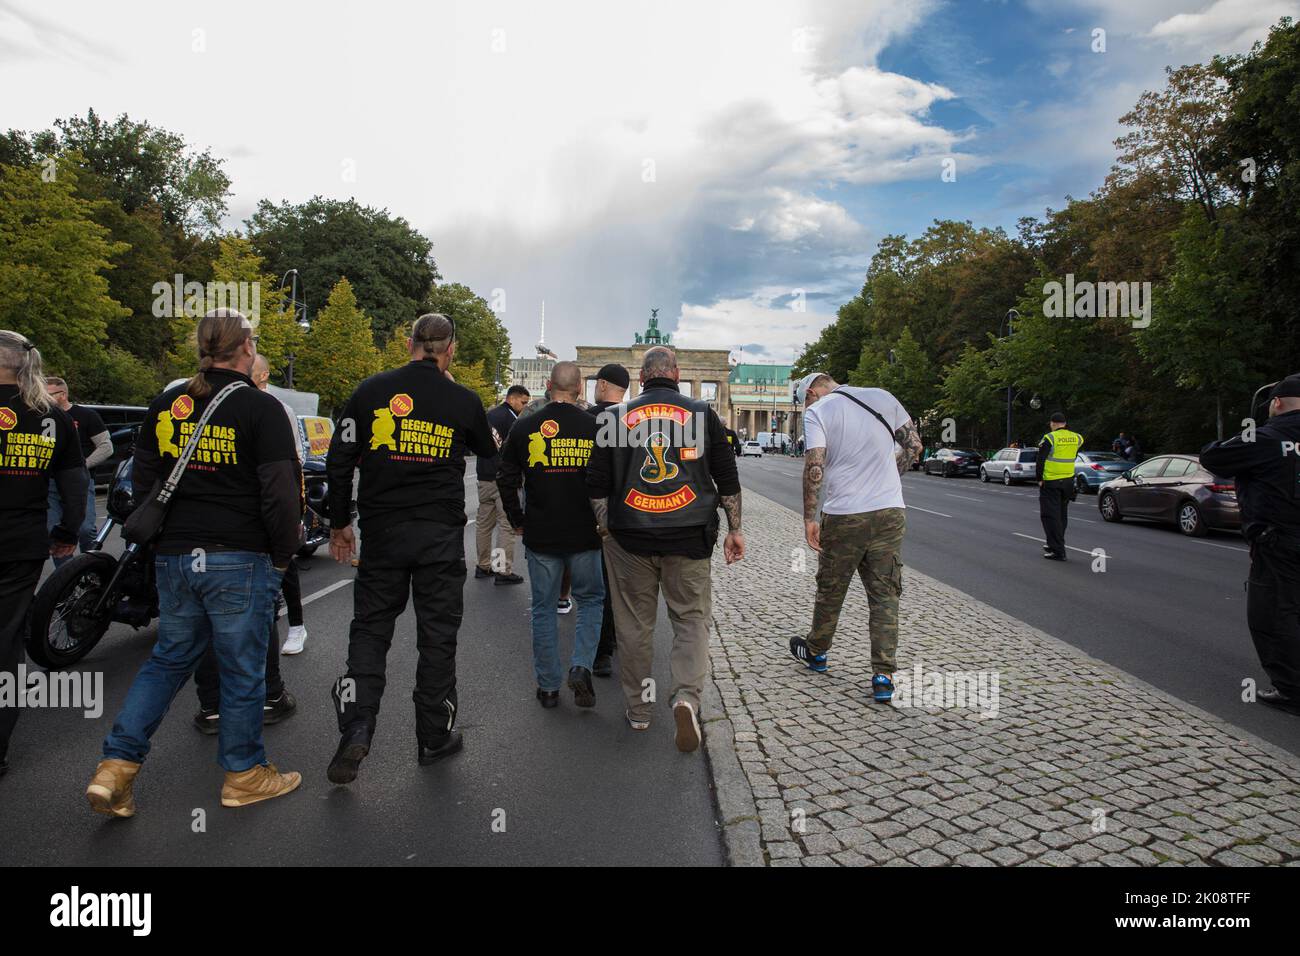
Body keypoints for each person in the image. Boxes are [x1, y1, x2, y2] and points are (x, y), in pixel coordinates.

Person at [87, 310, 303, 816]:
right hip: (238, 554)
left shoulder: (168, 403)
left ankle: (115, 768)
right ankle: (244, 774)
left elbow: (142, 478)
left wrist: (166, 537)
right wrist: (280, 557)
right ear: (246, 348)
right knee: (243, 667)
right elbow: (279, 495)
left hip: (176, 555)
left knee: (168, 660)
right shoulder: (260, 408)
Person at [324, 313, 495, 784]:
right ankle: (434, 737)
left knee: (371, 632)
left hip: (383, 534)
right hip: (439, 539)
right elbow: (489, 452)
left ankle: (356, 726)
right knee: (437, 638)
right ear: (451, 349)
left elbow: (339, 460)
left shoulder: (369, 390)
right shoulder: (463, 399)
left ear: (409, 343)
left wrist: (340, 523)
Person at [587, 346, 744, 752]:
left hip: (629, 538)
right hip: (689, 535)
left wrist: (606, 527)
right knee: (691, 620)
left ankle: (639, 711)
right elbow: (726, 477)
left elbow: (597, 483)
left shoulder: (614, 417)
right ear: (676, 374)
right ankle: (687, 698)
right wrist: (735, 530)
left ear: (641, 378)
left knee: (634, 627)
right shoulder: (702, 414)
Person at [788, 372, 922, 703]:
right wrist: (889, 475)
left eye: (804, 400)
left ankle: (817, 652)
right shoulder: (883, 395)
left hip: (845, 513)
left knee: (832, 587)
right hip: (890, 510)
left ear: (812, 393)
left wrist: (809, 517)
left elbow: (814, 466)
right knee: (885, 594)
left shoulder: (819, 412)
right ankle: (883, 675)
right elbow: (915, 446)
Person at [189, 356, 302, 736]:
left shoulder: (178, 400)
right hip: (245, 536)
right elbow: (284, 477)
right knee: (257, 618)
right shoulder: (268, 407)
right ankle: (267, 697)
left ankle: (212, 705)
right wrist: (285, 544)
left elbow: (147, 469)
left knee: (201, 625)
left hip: (187, 540)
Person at [0, 332, 87, 777]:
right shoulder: (49, 416)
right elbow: (74, 482)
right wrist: (66, 531)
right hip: (19, 542)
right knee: (7, 638)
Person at [498, 361, 605, 709]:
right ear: (579, 390)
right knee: (590, 601)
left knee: (543, 609)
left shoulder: (525, 426)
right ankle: (580, 666)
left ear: (547, 385)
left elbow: (505, 476)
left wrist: (517, 518)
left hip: (541, 531)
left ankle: (548, 687)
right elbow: (609, 482)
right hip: (585, 533)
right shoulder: (596, 426)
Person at [1200, 376, 1300, 715]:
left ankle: (1291, 689)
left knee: (1275, 613)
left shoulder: (1266, 437)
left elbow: (1214, 456)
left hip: (1280, 542)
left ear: (1276, 403)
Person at [586, 364, 629, 677]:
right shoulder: (631, 422)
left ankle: (592, 650)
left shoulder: (584, 419)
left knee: (590, 588)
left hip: (584, 511)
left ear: (600, 384)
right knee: (615, 586)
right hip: (620, 514)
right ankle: (608, 645)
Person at [44, 377, 110, 565]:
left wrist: (82, 466)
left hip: (78, 481)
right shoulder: (41, 416)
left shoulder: (86, 415)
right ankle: (66, 581)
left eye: (48, 394)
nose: (44, 398)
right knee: (53, 530)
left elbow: (106, 446)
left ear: (62, 395)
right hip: (50, 482)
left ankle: (90, 565)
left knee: (85, 529)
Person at [474, 384, 529, 585]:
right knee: (505, 526)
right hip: (502, 479)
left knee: (484, 524)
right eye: (523, 402)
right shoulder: (511, 420)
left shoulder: (489, 416)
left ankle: (483, 565)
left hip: (483, 476)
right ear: (512, 398)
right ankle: (501, 570)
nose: (524, 407)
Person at [1036, 412, 1084, 561]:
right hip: (1068, 482)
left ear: (1053, 423)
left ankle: (1057, 550)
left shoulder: (1050, 438)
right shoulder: (1077, 437)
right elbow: (1073, 455)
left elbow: (1041, 460)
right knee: (1062, 515)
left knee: (1050, 516)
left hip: (1051, 481)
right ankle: (1054, 543)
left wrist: (1039, 479)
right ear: (1065, 423)